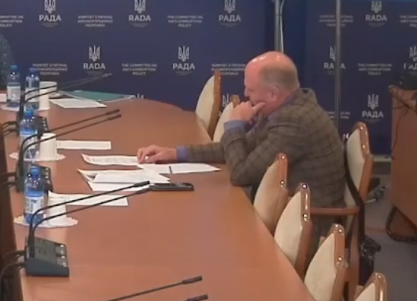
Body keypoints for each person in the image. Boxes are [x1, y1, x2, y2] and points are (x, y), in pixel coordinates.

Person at [136, 52, 345, 208]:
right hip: (281, 206)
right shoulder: (283, 107)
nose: (245, 94)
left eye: (250, 89)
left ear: (273, 94)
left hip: (309, 225)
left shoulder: (295, 121)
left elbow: (242, 174)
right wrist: (175, 153)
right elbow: (237, 148)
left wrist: (235, 125)